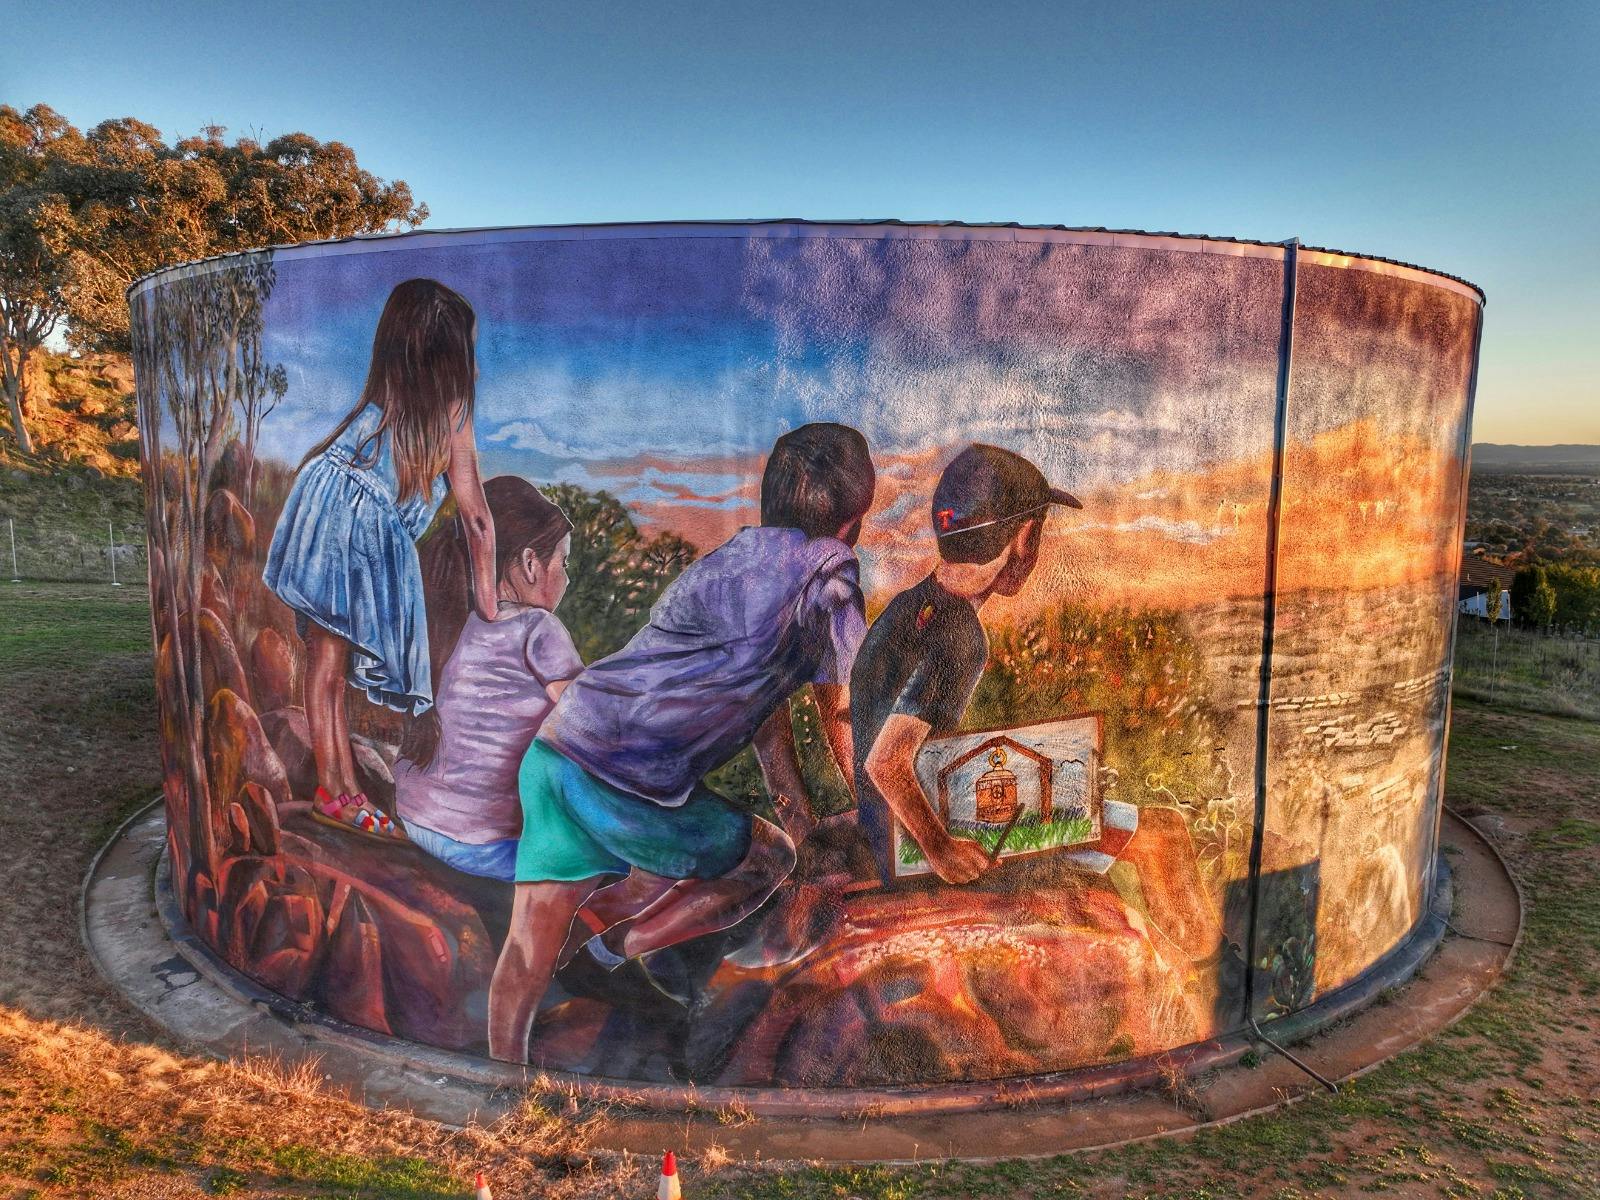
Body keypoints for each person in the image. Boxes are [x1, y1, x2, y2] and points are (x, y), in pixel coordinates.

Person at [487, 422, 875, 1063]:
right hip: (629, 788)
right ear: (853, 520)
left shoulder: (725, 563)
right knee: (767, 861)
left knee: (528, 944)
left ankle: (502, 1081)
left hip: (557, 751)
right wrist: (869, 807)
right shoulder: (830, 577)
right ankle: (616, 953)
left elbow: (766, 723)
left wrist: (800, 814)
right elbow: (842, 712)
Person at [264, 279, 497, 844]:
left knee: (327, 667)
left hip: (324, 496)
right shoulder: (451, 411)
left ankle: (337, 788)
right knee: (330, 669)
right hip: (360, 518)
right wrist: (490, 603)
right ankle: (337, 792)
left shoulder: (385, 395)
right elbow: (478, 519)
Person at [850, 443, 1081, 885]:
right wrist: (941, 850)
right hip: (909, 858)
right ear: (1025, 539)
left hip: (881, 835)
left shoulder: (907, 605)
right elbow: (885, 763)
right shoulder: (961, 639)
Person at [394, 477, 581, 879]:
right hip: (482, 845)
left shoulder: (451, 622)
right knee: (621, 864)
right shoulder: (538, 628)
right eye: (563, 563)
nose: (567, 578)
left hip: (413, 818)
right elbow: (590, 724)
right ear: (531, 563)